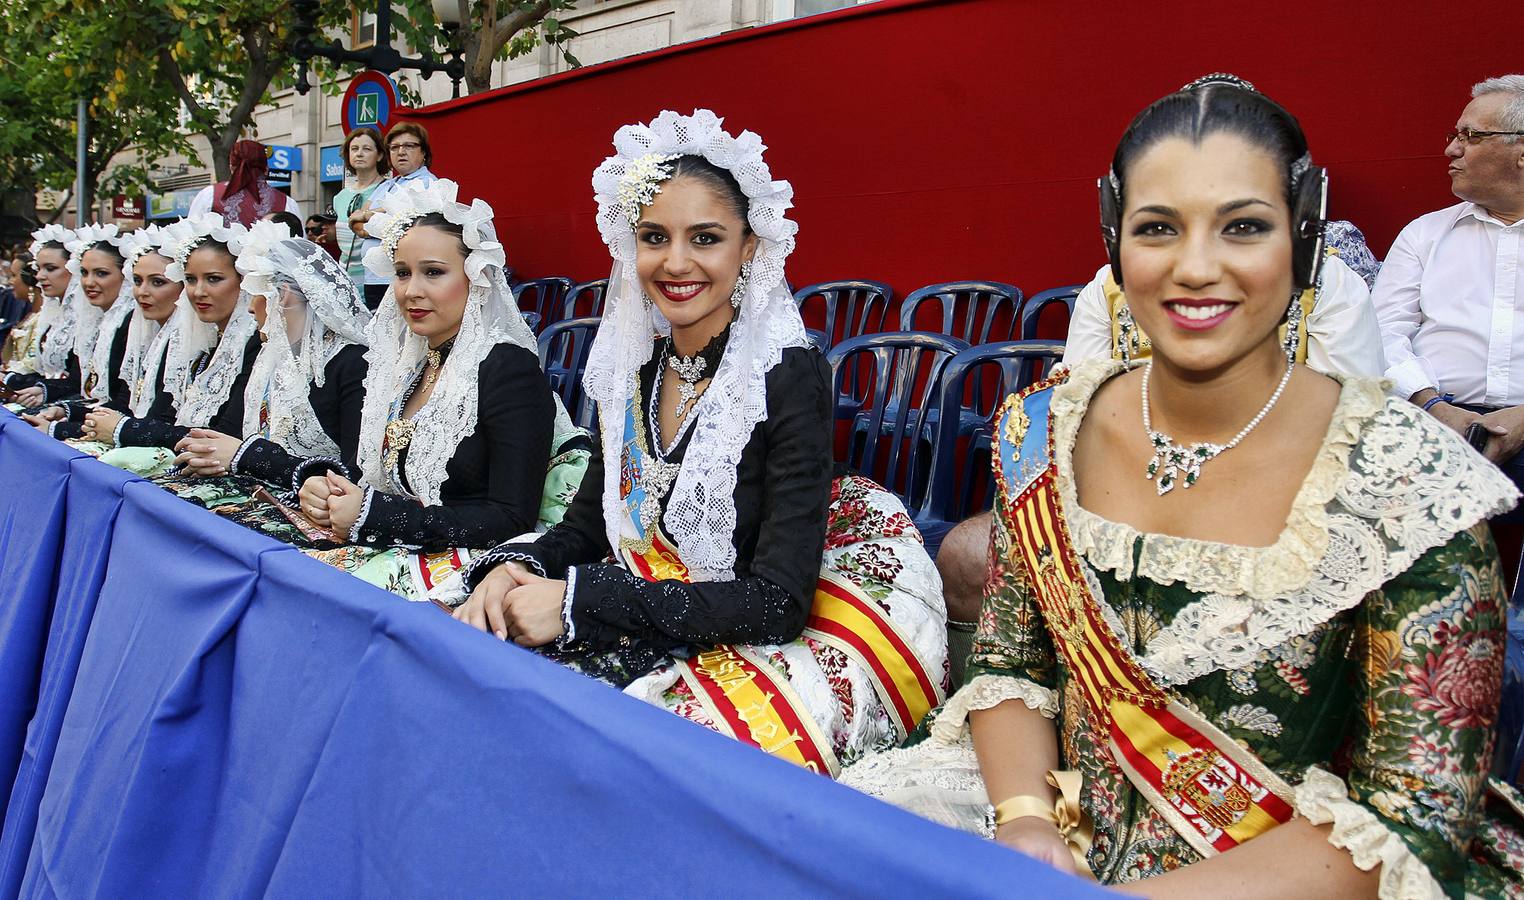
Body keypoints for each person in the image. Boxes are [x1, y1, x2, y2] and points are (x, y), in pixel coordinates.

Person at [840, 75, 1524, 897]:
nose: (1196, 268)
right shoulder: (1042, 430)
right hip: (1067, 824)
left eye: (1243, 226)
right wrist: (1026, 819)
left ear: (1303, 239)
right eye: (1158, 227)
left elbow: (1413, 821)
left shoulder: (1411, 480)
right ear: (1114, 240)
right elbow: (1010, 665)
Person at [451, 110, 947, 774]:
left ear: (749, 249)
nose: (675, 263)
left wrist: (579, 603)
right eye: (655, 237)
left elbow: (776, 603)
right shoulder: (631, 370)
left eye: (705, 238)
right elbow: (585, 527)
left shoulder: (787, 377)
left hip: (754, 618)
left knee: (609, 762)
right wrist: (521, 569)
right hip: (655, 599)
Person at [267, 178, 585, 600]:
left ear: (478, 279)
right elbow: (378, 475)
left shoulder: (506, 367)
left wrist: (374, 515)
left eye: (433, 272)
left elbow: (511, 518)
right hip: (411, 547)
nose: (411, 290)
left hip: (478, 562)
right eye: (402, 273)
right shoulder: (411, 364)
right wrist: (322, 488)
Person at [1371, 74, 1524, 497]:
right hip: (1430, 421)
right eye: (1455, 135)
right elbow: (1380, 334)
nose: (1451, 149)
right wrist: (1437, 409)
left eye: (1470, 136)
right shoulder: (1425, 233)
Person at [167, 220, 371, 499]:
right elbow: (229, 431)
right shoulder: (271, 357)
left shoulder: (353, 363)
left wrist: (247, 457)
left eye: (254, 296)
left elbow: (353, 476)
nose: (250, 308)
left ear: (282, 296)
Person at [87, 215, 261, 471]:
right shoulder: (206, 343)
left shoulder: (255, 345)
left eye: (213, 279)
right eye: (190, 279)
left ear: (244, 282)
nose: (198, 291)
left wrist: (124, 429)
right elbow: (163, 414)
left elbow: (222, 435)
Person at [24, 224, 141, 439]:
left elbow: (125, 403)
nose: (88, 282)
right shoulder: (96, 321)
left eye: (101, 273)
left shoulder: (131, 324)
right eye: (84, 273)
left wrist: (62, 425)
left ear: (125, 277)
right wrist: (49, 397)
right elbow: (81, 384)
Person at [349, 122, 437, 310]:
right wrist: (381, 217)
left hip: (402, 276)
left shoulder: (427, 183)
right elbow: (357, 223)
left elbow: (409, 225)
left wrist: (369, 217)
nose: (401, 152)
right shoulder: (385, 185)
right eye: (395, 147)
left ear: (423, 153)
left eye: (409, 146)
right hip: (373, 276)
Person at [2, 225, 79, 408]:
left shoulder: (90, 323)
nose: (40, 276)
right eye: (39, 269)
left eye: (50, 268)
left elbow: (79, 384)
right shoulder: (52, 317)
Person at [187, 140, 303, 226]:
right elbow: (298, 246)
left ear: (231, 167)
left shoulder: (210, 195)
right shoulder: (286, 202)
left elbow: (189, 236)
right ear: (266, 168)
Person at [333, 126, 389, 290]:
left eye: (367, 149)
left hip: (375, 279)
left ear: (379, 155)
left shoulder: (387, 191)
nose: (359, 153)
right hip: (345, 277)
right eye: (354, 149)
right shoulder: (340, 197)